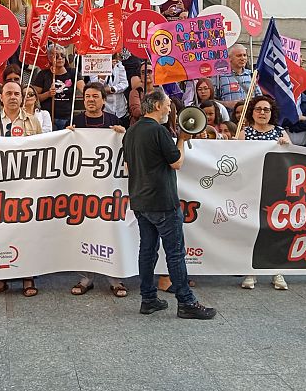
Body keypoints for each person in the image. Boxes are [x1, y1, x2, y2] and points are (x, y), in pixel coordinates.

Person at [122, 87, 216, 319]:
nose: (168, 109)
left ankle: (148, 299)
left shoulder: (131, 132)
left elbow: (128, 167)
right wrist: (182, 140)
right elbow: (176, 162)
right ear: (156, 106)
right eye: (166, 105)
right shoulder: (159, 131)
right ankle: (186, 302)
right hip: (163, 201)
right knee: (175, 253)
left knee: (147, 251)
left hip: (140, 200)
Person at [0, 81, 40, 297]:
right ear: (1, 97)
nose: (13, 97)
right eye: (9, 93)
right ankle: (0, 278)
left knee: (26, 231)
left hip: (26, 185)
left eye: (17, 93)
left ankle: (28, 277)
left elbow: (43, 151)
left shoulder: (32, 121)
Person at [69, 82, 127, 297]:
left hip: (109, 187)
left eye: (95, 96)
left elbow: (125, 147)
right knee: (84, 230)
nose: (90, 100)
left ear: (104, 100)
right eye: (87, 96)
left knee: (110, 231)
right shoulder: (76, 121)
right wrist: (67, 135)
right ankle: (86, 278)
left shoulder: (113, 120)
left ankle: (115, 278)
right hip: (83, 186)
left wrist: (123, 134)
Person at [237, 96, 291, 291]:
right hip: (251, 187)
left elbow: (291, 158)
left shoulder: (280, 132)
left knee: (274, 229)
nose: (262, 113)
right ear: (251, 112)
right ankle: (250, 271)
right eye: (258, 109)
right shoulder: (244, 133)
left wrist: (286, 145)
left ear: (271, 113)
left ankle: (277, 271)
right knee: (252, 228)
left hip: (275, 188)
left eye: (266, 109)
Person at [32, 45, 84, 131]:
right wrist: (48, 94)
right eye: (56, 56)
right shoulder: (43, 74)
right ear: (49, 58)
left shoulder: (73, 73)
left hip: (67, 118)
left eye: (62, 55)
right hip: (49, 118)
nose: (60, 58)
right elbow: (34, 97)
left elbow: (84, 90)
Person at [215, 44, 260, 112]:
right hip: (229, 117)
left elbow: (259, 98)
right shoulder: (219, 77)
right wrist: (227, 104)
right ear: (229, 58)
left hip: (249, 116)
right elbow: (210, 101)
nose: (243, 58)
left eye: (244, 55)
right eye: (239, 55)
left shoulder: (251, 75)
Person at [90, 54, 129, 127]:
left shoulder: (119, 65)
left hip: (119, 109)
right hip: (105, 109)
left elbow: (124, 83)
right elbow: (95, 87)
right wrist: (104, 73)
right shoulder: (94, 65)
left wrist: (113, 89)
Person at [128, 62, 154, 126]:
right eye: (143, 72)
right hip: (139, 126)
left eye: (149, 71)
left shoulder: (159, 91)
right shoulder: (135, 92)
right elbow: (136, 112)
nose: (146, 74)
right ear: (140, 76)